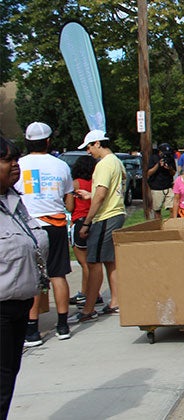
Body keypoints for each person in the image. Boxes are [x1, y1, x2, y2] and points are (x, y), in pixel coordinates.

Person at [14, 122, 74, 346]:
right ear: (49, 141)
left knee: (33, 276)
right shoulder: (61, 166)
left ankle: (31, 330)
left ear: (27, 141)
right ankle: (63, 325)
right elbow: (69, 201)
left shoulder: (18, 164)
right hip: (55, 223)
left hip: (29, 224)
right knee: (58, 274)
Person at [0, 135, 46, 419]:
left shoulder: (13, 202)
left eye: (16, 159)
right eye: (7, 160)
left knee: (6, 380)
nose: (15, 165)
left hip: (19, 306)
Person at [73, 130, 126, 322]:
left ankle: (89, 309)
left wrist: (87, 222)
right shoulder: (116, 162)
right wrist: (90, 195)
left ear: (97, 143)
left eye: (88, 147)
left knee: (93, 262)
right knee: (110, 261)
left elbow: (102, 194)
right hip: (116, 213)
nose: (88, 151)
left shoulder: (104, 164)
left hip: (105, 216)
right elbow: (108, 191)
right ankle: (115, 302)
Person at [68, 156, 98, 312]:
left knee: (85, 263)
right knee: (93, 261)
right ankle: (95, 293)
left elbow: (69, 206)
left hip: (79, 221)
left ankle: (84, 294)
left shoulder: (76, 183)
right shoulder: (95, 183)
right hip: (94, 221)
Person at [147, 142, 177, 219]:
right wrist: (158, 165)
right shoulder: (153, 158)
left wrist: (169, 168)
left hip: (168, 186)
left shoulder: (170, 158)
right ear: (159, 151)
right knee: (157, 210)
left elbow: (173, 173)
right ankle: (159, 226)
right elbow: (149, 173)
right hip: (156, 187)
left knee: (173, 208)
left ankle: (171, 225)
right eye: (164, 153)